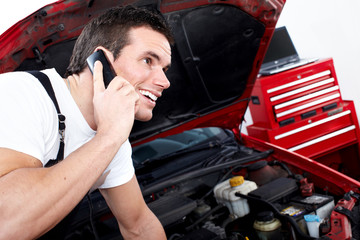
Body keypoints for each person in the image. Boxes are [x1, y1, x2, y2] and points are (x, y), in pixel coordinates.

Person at [0, 5, 174, 239]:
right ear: (101, 61)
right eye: (147, 60)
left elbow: (139, 225)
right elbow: (7, 222)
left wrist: (110, 137)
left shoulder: (113, 135)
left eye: (164, 68)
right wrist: (109, 137)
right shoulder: (20, 92)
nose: (165, 81)